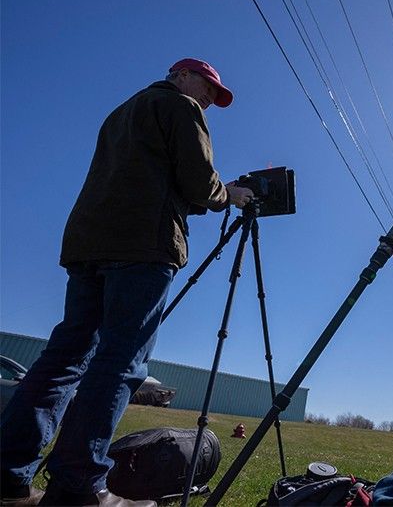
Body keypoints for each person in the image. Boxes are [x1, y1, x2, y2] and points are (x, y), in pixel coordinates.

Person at [0, 58, 254, 507]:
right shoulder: (179, 106)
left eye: (215, 97)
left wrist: (201, 196)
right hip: (142, 244)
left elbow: (151, 179)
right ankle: (77, 485)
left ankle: (8, 474)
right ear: (181, 75)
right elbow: (198, 182)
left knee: (65, 356)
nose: (209, 101)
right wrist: (226, 194)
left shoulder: (122, 112)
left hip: (88, 241)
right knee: (120, 361)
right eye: (208, 89)